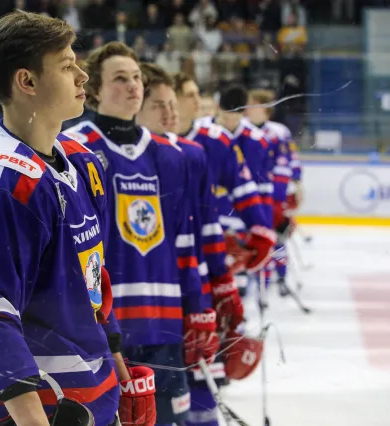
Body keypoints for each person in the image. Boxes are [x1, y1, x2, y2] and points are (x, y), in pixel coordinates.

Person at [0, 11, 143, 426]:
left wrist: (118, 370)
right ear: (27, 82)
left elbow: (92, 282)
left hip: (89, 401)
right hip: (32, 412)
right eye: (68, 66)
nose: (82, 77)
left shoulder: (84, 164)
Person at [63, 41, 218, 426]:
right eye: (120, 79)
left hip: (163, 323)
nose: (133, 86)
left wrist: (198, 307)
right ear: (95, 89)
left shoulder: (171, 155)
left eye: (136, 78)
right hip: (102, 330)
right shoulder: (72, 150)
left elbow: (184, 243)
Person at [136, 63, 239, 426]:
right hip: (150, 309)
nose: (177, 110)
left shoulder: (191, 153)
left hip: (183, 293)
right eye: (186, 96)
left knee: (194, 385)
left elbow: (199, 232)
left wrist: (214, 290)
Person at [191, 83, 276, 277]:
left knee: (237, 280)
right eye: (225, 117)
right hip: (207, 218)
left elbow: (260, 188)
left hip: (239, 221)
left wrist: (264, 226)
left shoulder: (257, 141)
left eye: (234, 118)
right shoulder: (200, 133)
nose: (229, 123)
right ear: (219, 110)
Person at [245, 89, 296, 296]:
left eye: (252, 104)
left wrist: (280, 197)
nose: (247, 108)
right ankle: (258, 280)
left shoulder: (278, 132)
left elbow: (286, 164)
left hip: (271, 199)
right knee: (258, 240)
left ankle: (281, 276)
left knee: (277, 240)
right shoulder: (242, 130)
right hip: (249, 198)